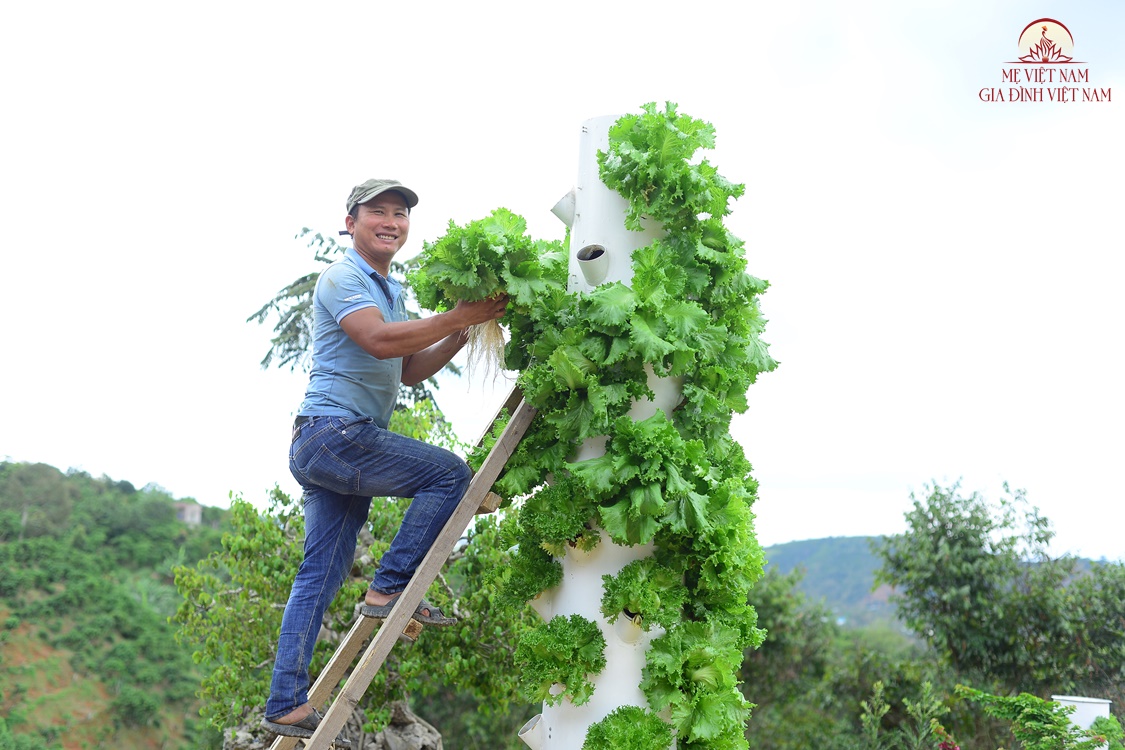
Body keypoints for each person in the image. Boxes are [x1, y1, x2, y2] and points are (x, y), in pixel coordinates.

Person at [261, 179, 509, 741]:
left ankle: (285, 703)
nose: (391, 221)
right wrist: (454, 316)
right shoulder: (344, 278)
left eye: (400, 214)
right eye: (378, 211)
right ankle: (389, 588)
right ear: (350, 222)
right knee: (448, 473)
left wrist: (460, 329)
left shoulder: (390, 290)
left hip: (335, 444)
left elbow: (405, 367)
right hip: (334, 435)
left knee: (317, 577)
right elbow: (376, 340)